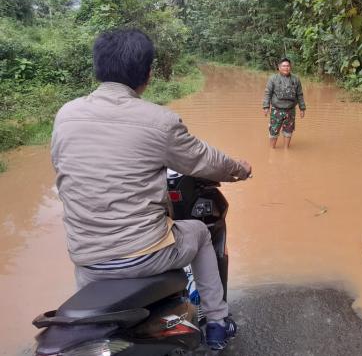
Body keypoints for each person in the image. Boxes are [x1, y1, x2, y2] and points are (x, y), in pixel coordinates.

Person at [50, 29, 251, 351]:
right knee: (199, 232)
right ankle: (216, 320)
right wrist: (239, 168)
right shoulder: (158, 120)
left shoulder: (66, 115)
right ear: (147, 73)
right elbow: (205, 160)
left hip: (86, 259)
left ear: (97, 68)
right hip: (143, 254)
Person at [262, 57, 306, 149]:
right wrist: (266, 107)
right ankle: (272, 150)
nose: (286, 68)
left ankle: (286, 149)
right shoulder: (273, 79)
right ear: (279, 67)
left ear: (290, 67)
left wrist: (302, 108)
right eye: (284, 66)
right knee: (273, 131)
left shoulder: (295, 79)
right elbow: (267, 93)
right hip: (276, 110)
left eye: (288, 66)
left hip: (290, 110)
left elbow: (300, 95)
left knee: (288, 131)